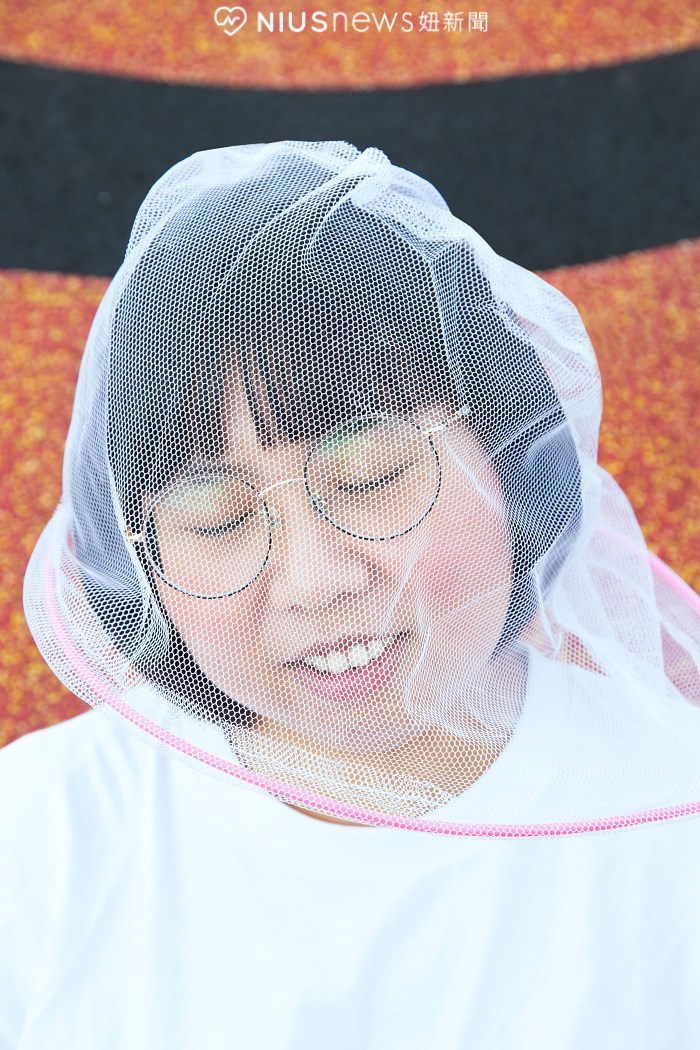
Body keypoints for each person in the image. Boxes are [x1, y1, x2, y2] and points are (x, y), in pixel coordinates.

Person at [2, 140, 699, 1047]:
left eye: (370, 474)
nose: (317, 581)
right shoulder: (36, 841)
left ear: (506, 451)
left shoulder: (673, 814)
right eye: (216, 518)